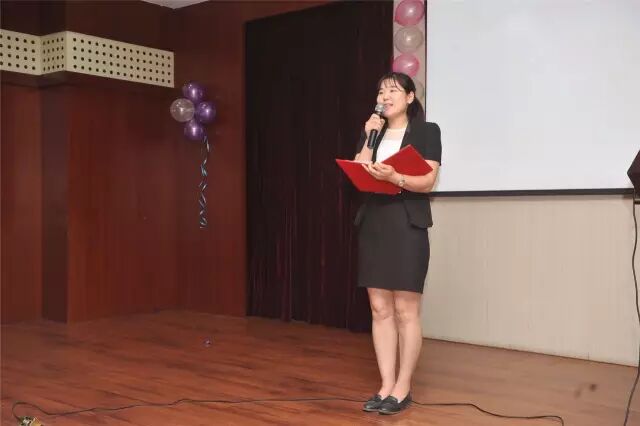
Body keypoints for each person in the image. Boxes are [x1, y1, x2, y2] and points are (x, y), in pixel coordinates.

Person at [354, 72, 442, 415]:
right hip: (374, 223)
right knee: (379, 308)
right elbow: (359, 174)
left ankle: (403, 387)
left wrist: (396, 177)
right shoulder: (372, 131)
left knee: (406, 310)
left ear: (409, 97)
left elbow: (428, 180)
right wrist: (368, 137)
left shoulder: (426, 131)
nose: (385, 96)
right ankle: (385, 385)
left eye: (392, 90)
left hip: (407, 224)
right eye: (381, 91)